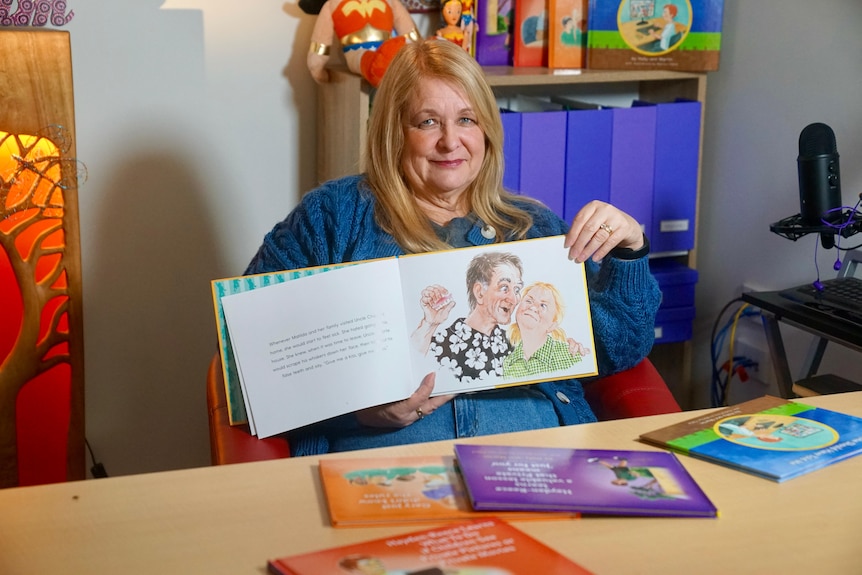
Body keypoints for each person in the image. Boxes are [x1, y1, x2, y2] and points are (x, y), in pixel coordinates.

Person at [244, 39, 661, 456]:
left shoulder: (533, 227)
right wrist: (357, 411)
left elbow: (618, 347)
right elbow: (252, 353)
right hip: (387, 465)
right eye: (427, 122)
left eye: (466, 119)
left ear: (486, 131)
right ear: (393, 132)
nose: (450, 141)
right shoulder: (334, 216)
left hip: (538, 453)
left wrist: (630, 251)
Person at [410, 252, 524, 383]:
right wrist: (429, 324)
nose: (514, 299)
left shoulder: (514, 346)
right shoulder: (442, 343)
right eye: (504, 288)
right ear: (479, 292)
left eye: (516, 290)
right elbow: (408, 371)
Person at [501, 281, 588, 378]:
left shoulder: (571, 355)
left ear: (552, 325)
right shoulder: (507, 363)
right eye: (529, 301)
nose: (533, 307)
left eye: (543, 305)